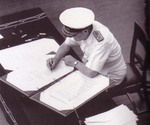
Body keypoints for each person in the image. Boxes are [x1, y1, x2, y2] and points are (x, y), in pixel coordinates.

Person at [47, 7, 127, 85]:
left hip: (110, 76)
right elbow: (66, 44)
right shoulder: (83, 27)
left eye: (73, 36)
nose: (71, 38)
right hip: (91, 66)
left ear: (85, 31)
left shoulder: (102, 41)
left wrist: (74, 62)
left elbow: (91, 73)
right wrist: (56, 58)